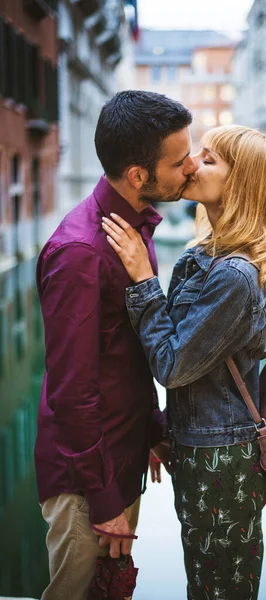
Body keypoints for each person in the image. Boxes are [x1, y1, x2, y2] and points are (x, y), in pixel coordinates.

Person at [102, 124, 266, 600]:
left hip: (222, 460)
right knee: (204, 582)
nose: (191, 165)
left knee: (220, 589)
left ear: (240, 182)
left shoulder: (234, 276)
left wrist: (143, 279)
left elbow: (172, 364)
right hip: (198, 447)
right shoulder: (202, 255)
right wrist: (161, 428)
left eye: (209, 159)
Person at [35, 90, 196, 600]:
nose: (191, 167)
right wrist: (103, 500)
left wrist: (151, 429)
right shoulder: (79, 253)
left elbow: (128, 355)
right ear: (137, 175)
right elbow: (72, 392)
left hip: (122, 457)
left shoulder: (132, 228)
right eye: (179, 160)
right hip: (86, 483)